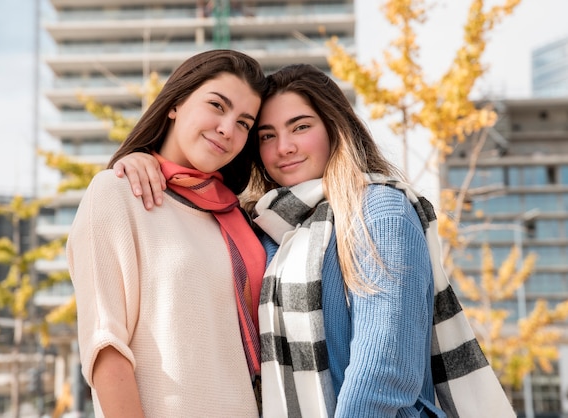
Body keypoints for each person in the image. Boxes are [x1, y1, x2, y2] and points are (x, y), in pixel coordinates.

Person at [115, 64, 515, 417]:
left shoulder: (379, 210)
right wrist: (146, 160)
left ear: (334, 129)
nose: (283, 148)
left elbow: (385, 370)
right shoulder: (266, 227)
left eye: (300, 127)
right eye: (267, 135)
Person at [66, 49, 268, 417]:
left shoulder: (234, 216)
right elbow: (105, 347)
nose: (228, 129)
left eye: (244, 123)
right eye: (217, 106)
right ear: (175, 102)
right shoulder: (117, 192)